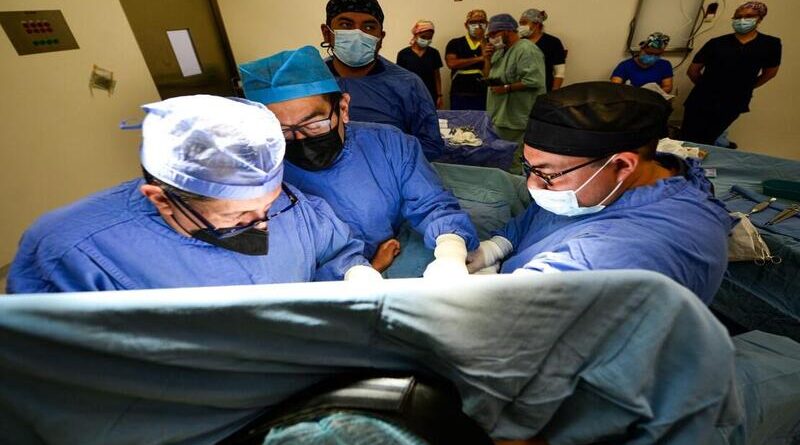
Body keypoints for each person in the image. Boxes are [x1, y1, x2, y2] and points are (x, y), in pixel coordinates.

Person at [6, 95, 379, 293]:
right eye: (237, 218)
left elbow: (332, 250)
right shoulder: (74, 252)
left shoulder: (291, 207)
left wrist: (353, 274)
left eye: (269, 205)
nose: (263, 225)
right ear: (161, 199)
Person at [466, 82, 733, 304]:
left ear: (623, 165)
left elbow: (514, 317)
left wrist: (483, 297)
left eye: (547, 174)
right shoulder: (623, 181)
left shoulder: (626, 253)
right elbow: (541, 216)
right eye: (529, 168)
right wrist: (495, 247)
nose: (534, 185)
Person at [240, 46, 479, 276]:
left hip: (395, 253)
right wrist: (366, 271)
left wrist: (451, 251)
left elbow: (432, 204)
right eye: (282, 131)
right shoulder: (261, 174)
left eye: (314, 125)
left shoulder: (389, 145)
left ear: (343, 108)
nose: (300, 139)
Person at [320, 0, 445, 161]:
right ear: (327, 33)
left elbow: (431, 146)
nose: (358, 34)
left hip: (390, 175)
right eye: (346, 25)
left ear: (381, 37)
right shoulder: (307, 83)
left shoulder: (408, 85)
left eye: (369, 27)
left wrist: (384, 162)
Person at [681, 1, 781, 146]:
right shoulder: (716, 43)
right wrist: (707, 87)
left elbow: (770, 73)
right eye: (738, 17)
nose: (742, 20)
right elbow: (693, 71)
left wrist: (746, 87)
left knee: (708, 140)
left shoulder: (770, 44)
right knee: (686, 139)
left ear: (759, 19)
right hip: (702, 99)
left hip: (734, 101)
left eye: (749, 16)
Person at [483, 13, 546, 173]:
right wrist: (487, 59)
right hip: (500, 115)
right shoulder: (500, 51)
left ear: (507, 30)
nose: (491, 38)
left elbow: (534, 80)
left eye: (494, 34)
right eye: (489, 35)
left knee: (513, 161)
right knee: (500, 159)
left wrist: (506, 88)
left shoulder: (526, 50)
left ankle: (516, 187)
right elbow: (488, 76)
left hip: (516, 117)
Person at [444, 9, 489, 111]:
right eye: (473, 22)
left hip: (482, 93)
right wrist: (480, 58)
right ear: (466, 25)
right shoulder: (455, 43)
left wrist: (483, 41)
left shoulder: (490, 43)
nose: (478, 26)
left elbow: (489, 72)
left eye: (481, 22)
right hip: (459, 93)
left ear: (486, 24)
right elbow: (452, 63)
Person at [396, 20, 444, 109]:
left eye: (429, 38)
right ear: (415, 35)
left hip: (430, 94)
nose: (426, 40)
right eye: (423, 37)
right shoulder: (403, 54)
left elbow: (436, 75)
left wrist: (439, 95)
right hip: (409, 94)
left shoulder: (434, 53)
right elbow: (400, 77)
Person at [518, 9, 567, 91]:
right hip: (521, 89)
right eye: (520, 23)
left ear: (537, 24)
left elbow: (559, 72)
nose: (521, 26)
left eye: (524, 23)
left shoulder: (553, 42)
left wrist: (554, 92)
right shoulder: (518, 43)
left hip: (545, 89)